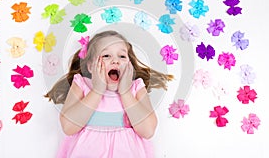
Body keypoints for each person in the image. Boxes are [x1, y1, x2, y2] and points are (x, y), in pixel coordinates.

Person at [45, 30, 173, 158]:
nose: (115, 61)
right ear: (90, 66)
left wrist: (125, 93)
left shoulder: (136, 88)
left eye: (122, 56)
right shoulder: (82, 84)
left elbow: (148, 131)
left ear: (130, 66)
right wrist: (97, 91)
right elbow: (68, 127)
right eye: (106, 55)